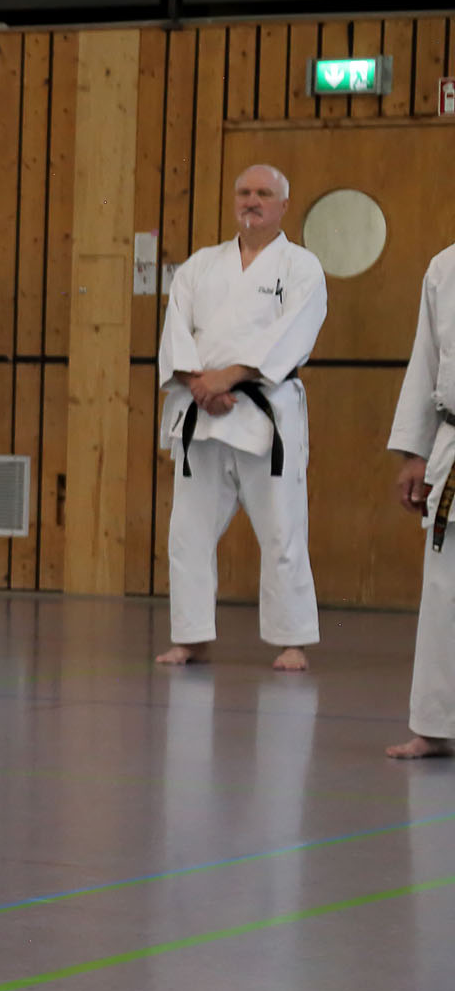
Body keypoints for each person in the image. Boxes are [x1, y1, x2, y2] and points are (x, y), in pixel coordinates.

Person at [156, 165, 326, 672]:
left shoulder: (301, 267)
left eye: (264, 193)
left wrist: (228, 377)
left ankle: (291, 640)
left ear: (283, 205)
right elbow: (175, 331)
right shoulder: (200, 266)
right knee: (187, 533)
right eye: (244, 192)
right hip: (202, 412)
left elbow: (294, 334)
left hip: (264, 413)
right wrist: (200, 384)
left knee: (282, 529)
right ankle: (191, 637)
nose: (252, 200)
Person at [385, 241, 455, 759]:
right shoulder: (445, 266)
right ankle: (434, 724)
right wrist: (416, 453)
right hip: (453, 442)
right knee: (444, 589)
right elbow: (425, 361)